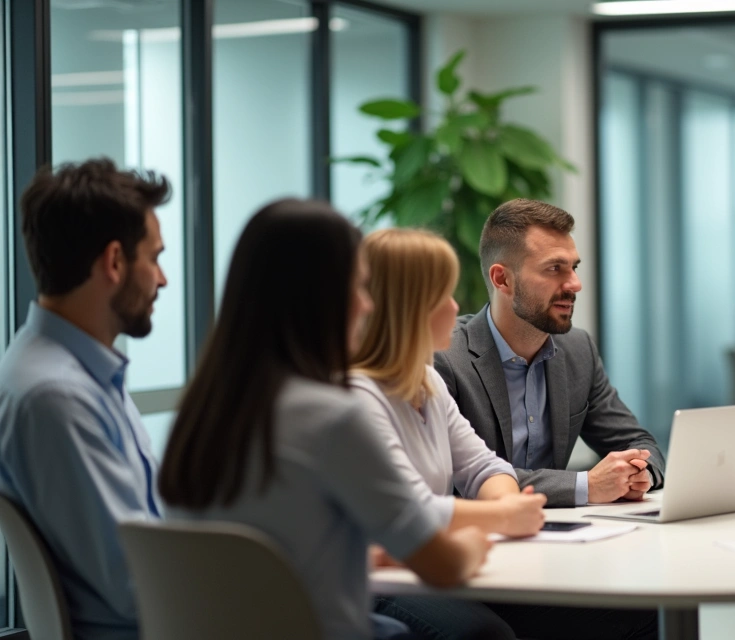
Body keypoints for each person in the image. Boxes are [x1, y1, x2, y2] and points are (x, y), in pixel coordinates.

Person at [158, 200, 492, 640]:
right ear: (321, 299)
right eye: (358, 286)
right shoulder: (332, 418)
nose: (367, 304)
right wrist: (476, 543)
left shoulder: (196, 417)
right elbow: (443, 565)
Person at [433, 198, 660, 639]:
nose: (574, 284)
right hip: (480, 561)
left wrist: (640, 472)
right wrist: (586, 486)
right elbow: (465, 482)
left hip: (551, 550)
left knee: (646, 604)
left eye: (574, 267)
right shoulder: (447, 359)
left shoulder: (576, 349)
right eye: (555, 269)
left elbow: (637, 439)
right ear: (503, 279)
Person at [0, 158, 168, 640]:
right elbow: (135, 585)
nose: (162, 280)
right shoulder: (57, 397)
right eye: (153, 258)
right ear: (114, 262)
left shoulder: (72, 373)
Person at [350, 228, 546, 640]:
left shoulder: (427, 380)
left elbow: (481, 464)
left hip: (421, 563)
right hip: (378, 579)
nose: (457, 307)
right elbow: (410, 510)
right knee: (484, 633)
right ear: (410, 307)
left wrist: (508, 502)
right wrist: (503, 516)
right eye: (445, 294)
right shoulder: (355, 396)